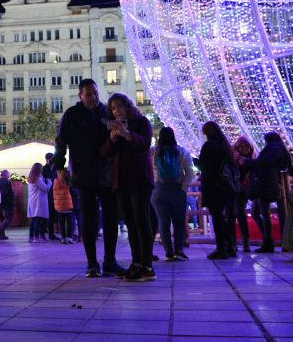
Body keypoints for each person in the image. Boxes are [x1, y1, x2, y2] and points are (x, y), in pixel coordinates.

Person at [54, 79, 126, 278]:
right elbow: (61, 141)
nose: (93, 97)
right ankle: (92, 262)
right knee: (89, 218)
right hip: (83, 173)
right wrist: (59, 166)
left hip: (106, 172)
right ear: (81, 96)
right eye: (88, 94)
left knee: (110, 217)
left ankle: (110, 260)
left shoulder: (106, 112)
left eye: (95, 93)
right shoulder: (72, 115)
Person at [102, 93, 156, 281]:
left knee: (141, 221)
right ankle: (136, 263)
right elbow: (104, 152)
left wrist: (127, 135)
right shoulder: (114, 127)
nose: (116, 111)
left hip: (140, 179)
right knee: (131, 223)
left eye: (119, 106)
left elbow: (145, 143)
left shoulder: (141, 122)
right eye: (113, 108)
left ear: (128, 106)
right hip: (121, 181)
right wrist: (113, 139)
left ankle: (147, 267)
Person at [151, 126, 195, 262]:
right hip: (177, 189)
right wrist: (183, 188)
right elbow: (190, 172)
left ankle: (168, 252)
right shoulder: (182, 151)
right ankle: (179, 251)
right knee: (179, 222)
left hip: (158, 190)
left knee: (163, 222)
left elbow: (148, 169)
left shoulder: (153, 151)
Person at [198, 121, 237, 260]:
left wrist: (196, 162)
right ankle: (230, 246)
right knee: (222, 217)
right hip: (226, 186)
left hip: (213, 186)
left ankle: (222, 248)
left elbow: (204, 165)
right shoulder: (225, 146)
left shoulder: (209, 146)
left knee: (217, 217)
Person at [249, 132, 292, 253]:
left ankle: (268, 241)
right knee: (258, 212)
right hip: (266, 183)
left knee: (262, 212)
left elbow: (265, 162)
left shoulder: (273, 149)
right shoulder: (277, 149)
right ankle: (268, 240)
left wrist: (249, 162)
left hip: (266, 183)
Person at [232, 135, 257, 253]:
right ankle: (233, 242)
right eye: (241, 146)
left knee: (240, 212)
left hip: (244, 189)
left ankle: (245, 241)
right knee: (232, 214)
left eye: (246, 146)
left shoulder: (252, 160)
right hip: (234, 188)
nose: (244, 149)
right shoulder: (233, 159)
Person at [27, 162, 51, 242]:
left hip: (33, 201)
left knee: (34, 219)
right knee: (38, 219)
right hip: (39, 201)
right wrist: (49, 182)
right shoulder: (38, 179)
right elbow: (46, 189)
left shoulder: (31, 178)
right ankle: (36, 237)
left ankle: (31, 237)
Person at [53, 169, 76, 243]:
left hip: (59, 205)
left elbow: (54, 192)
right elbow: (72, 191)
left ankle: (63, 238)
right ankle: (69, 237)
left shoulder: (56, 181)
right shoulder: (68, 181)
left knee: (61, 222)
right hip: (68, 204)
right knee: (70, 221)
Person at [42, 152, 59, 240]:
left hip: (56, 193)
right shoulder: (44, 169)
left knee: (54, 215)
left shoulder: (57, 168)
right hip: (47, 194)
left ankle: (52, 233)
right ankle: (46, 232)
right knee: (48, 214)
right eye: (49, 159)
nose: (51, 160)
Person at [0, 169, 14, 240]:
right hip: (6, 203)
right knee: (8, 218)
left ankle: (1, 235)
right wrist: (11, 202)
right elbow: (8, 194)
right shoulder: (7, 182)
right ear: (6, 175)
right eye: (9, 174)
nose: (9, 176)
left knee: (1, 219)